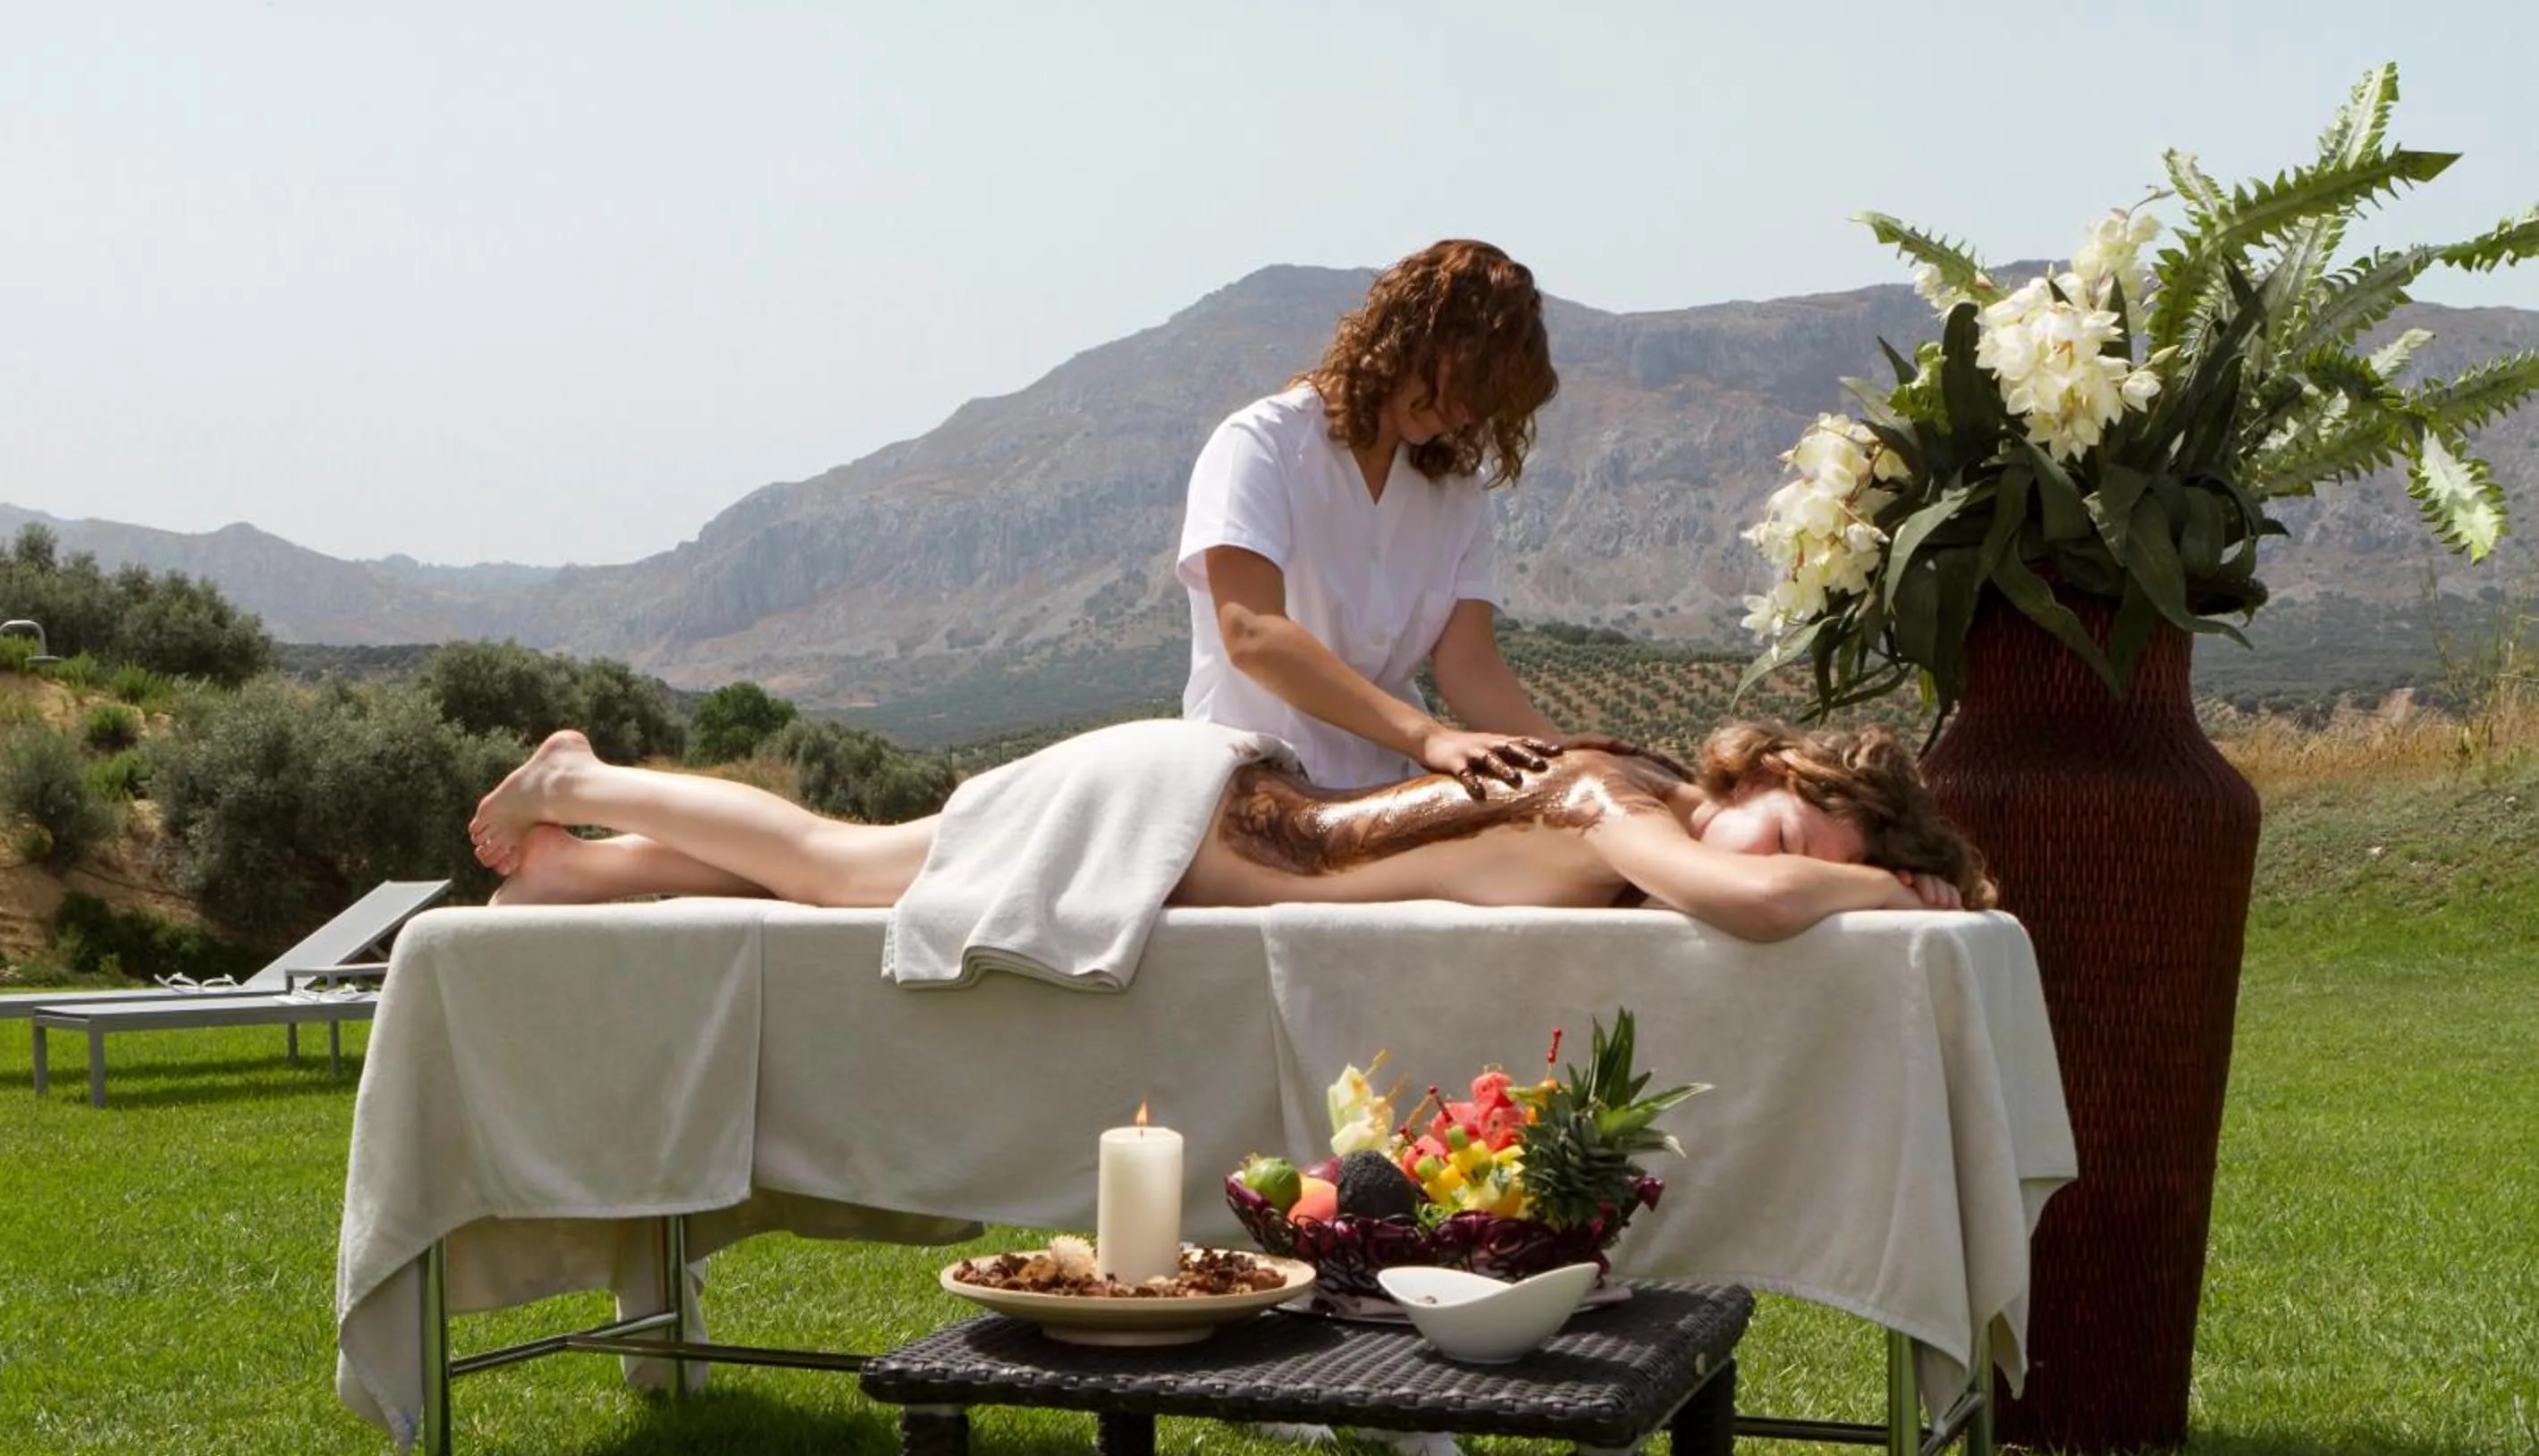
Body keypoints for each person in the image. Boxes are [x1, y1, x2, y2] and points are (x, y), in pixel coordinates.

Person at [466, 720, 1990, 938]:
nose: (1785, 863)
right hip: (1170, 811)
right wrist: (1909, 906)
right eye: (1796, 832)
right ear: (1759, 783)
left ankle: (571, 873)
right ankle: (577, 780)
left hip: (1199, 825)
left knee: (840, 886)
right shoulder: (1625, 807)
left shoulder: (1637, 805)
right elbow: (1740, 907)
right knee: (840, 864)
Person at [1178, 239, 1568, 797]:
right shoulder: (1262, 444)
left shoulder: (1457, 491)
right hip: (1256, 783)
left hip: (1391, 785)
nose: (1469, 411)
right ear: (1410, 338)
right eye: (1466, 383)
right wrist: (1426, 737)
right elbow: (1252, 632)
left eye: (1488, 399)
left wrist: (1569, 757)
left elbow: (1469, 664)